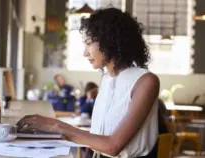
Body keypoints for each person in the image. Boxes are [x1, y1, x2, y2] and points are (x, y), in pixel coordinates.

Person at [17, 7, 160, 158]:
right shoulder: (106, 79)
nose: (85, 53)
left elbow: (112, 146)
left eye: (89, 43)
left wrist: (56, 125)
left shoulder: (145, 81)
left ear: (110, 40)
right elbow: (97, 141)